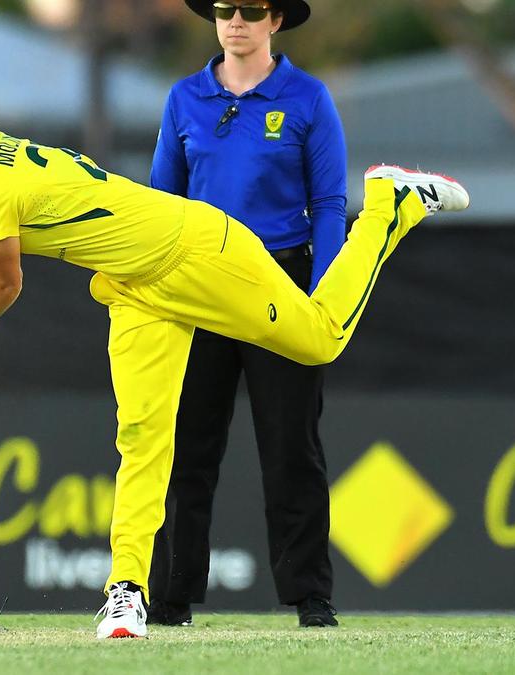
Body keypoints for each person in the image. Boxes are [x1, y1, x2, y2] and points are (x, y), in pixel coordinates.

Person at [0, 63, 468, 638]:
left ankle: (388, 206)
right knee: (142, 437)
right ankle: (126, 593)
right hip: (136, 290)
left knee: (320, 338)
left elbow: (7, 283)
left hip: (200, 253)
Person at [147, 0, 342, 628]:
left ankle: (310, 597)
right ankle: (169, 596)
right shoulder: (184, 98)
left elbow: (329, 204)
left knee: (291, 446)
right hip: (200, 284)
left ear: (275, 20)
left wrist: (320, 295)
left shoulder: (308, 98)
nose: (235, 20)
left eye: (251, 9)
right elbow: (162, 204)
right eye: (225, 8)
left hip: (281, 283)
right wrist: (157, 289)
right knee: (185, 446)